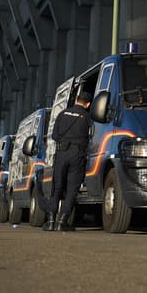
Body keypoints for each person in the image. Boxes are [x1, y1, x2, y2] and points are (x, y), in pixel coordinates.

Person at [44, 90, 93, 232]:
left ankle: (51, 221)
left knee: (57, 188)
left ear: (77, 100)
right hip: (77, 155)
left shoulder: (62, 114)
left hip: (61, 153)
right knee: (72, 189)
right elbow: (91, 137)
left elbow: (54, 135)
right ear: (88, 104)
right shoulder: (87, 117)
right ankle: (62, 222)